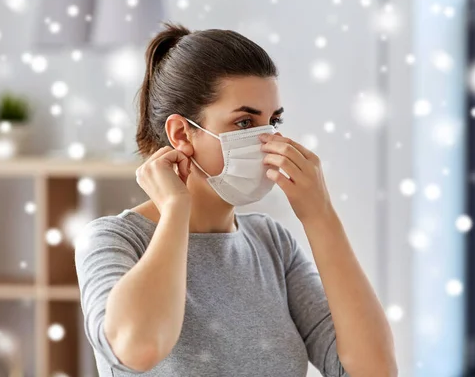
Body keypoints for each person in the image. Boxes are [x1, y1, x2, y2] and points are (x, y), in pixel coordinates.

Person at [75, 21, 397, 377]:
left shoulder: (272, 244)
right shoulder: (112, 240)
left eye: (273, 121)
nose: (267, 139)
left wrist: (320, 217)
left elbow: (374, 371)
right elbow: (138, 348)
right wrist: (175, 210)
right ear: (182, 133)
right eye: (245, 122)